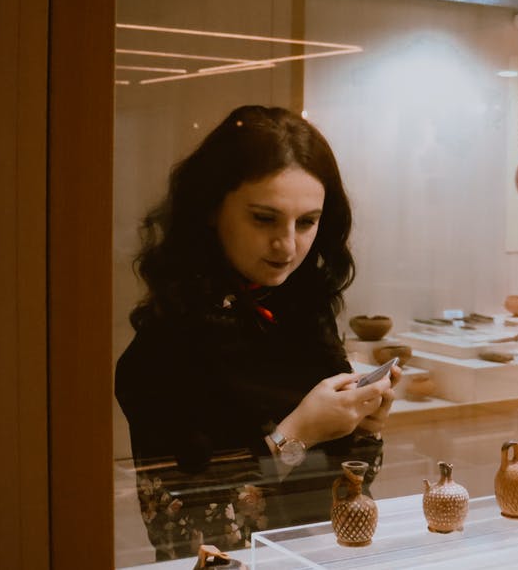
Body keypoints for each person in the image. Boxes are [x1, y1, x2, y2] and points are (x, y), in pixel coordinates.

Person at [115, 105, 400, 560]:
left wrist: (365, 423)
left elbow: (349, 494)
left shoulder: (302, 311)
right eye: (264, 219)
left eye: (307, 222)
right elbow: (185, 536)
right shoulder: (166, 345)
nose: (288, 246)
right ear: (211, 209)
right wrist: (297, 435)